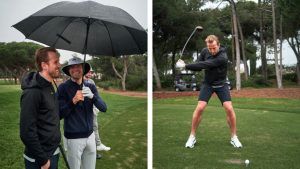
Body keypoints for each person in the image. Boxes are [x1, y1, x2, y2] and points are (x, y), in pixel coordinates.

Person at [176, 35, 243, 148]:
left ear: (218, 45)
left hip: (222, 84)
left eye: (213, 48)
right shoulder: (204, 51)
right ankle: (192, 137)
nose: (211, 50)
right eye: (209, 48)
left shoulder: (223, 56)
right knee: (200, 107)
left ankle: (234, 137)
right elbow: (198, 65)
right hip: (208, 84)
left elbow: (207, 64)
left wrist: (185, 66)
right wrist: (184, 65)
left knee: (229, 108)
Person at [58, 57, 107, 169]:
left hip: (90, 136)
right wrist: (73, 101)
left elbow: (104, 108)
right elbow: (59, 114)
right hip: (73, 138)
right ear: (69, 70)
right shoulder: (63, 88)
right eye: (72, 67)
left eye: (78, 66)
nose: (75, 69)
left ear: (83, 69)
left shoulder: (90, 86)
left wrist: (93, 97)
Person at [20, 47, 61, 169]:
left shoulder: (49, 86)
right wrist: (43, 160)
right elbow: (26, 132)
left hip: (53, 151)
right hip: (39, 160)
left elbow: (53, 115)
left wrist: (72, 102)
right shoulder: (32, 92)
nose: (59, 65)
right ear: (44, 65)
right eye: (56, 62)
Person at [84, 68, 111, 153]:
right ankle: (95, 145)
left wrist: (96, 107)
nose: (89, 74)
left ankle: (97, 145)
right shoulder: (80, 82)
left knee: (94, 127)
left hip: (92, 109)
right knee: (89, 128)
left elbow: (96, 96)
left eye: (91, 72)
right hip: (83, 110)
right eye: (88, 72)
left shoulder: (91, 82)